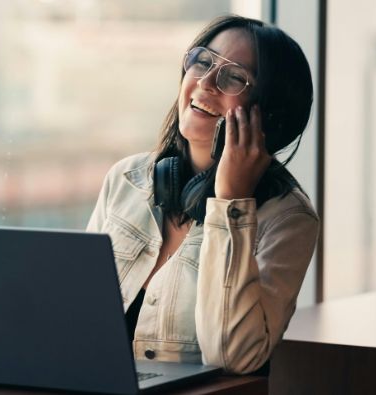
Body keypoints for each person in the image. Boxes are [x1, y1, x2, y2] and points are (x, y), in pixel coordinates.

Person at [86, 15, 319, 375]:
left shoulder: (288, 219)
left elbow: (233, 357)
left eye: (234, 77)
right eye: (204, 62)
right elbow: (76, 315)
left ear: (268, 115)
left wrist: (230, 202)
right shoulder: (126, 179)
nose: (206, 82)